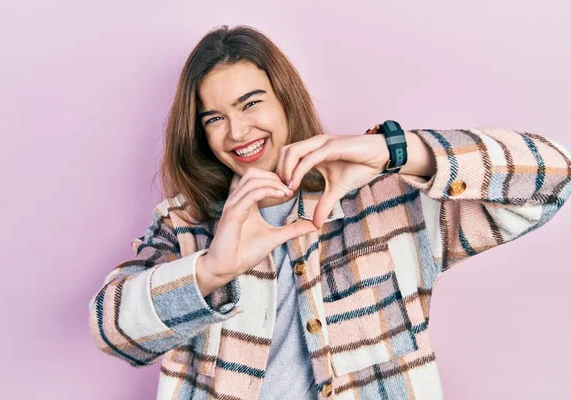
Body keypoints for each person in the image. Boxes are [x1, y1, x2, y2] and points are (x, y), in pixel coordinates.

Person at [88, 24, 571, 400]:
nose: (236, 132)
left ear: (284, 102)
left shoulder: (389, 205)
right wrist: (213, 269)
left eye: (250, 103)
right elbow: (111, 330)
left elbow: (552, 176)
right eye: (214, 118)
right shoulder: (185, 225)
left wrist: (393, 152)